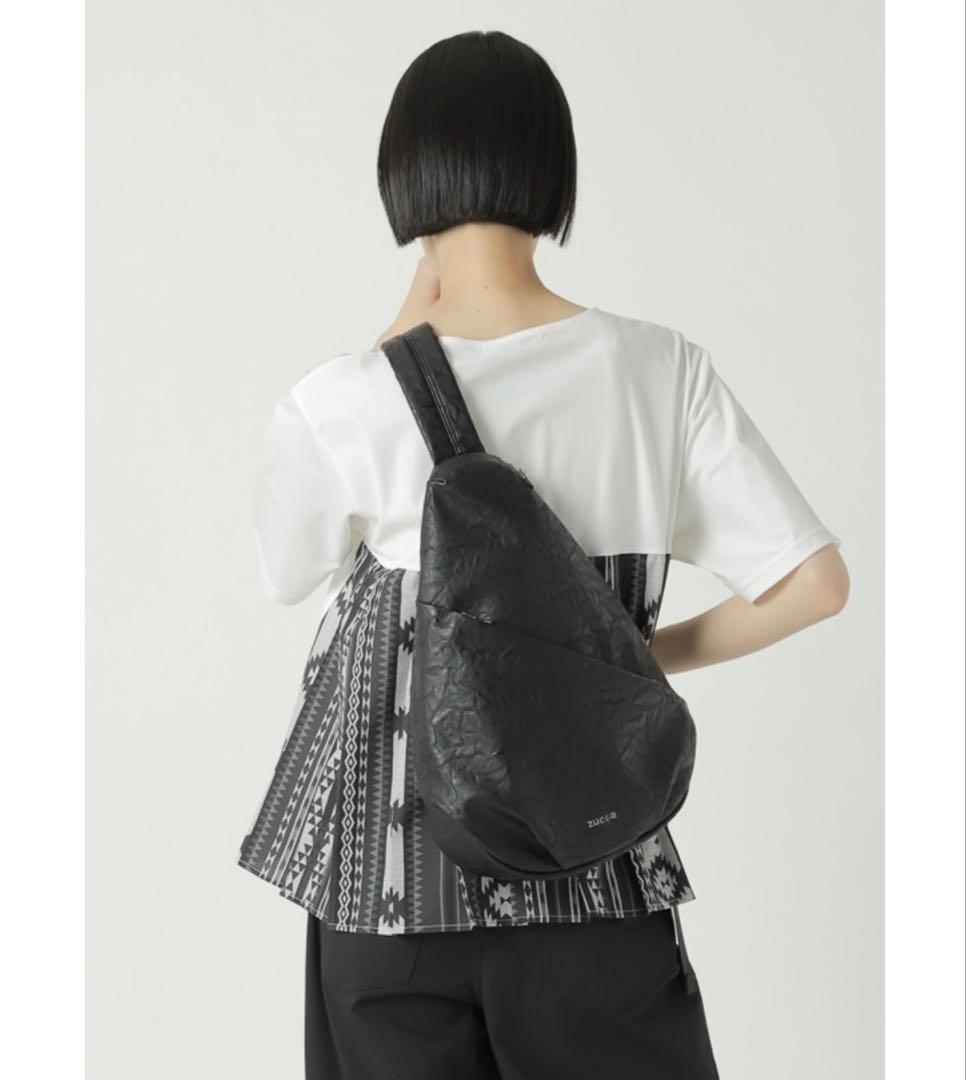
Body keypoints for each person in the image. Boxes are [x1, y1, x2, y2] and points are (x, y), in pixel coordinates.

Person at [237, 29, 849, 1080]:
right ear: (551, 172)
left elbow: (284, 573)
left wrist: (390, 346)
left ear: (405, 174)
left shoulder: (342, 398)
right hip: (591, 872)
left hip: (391, 887)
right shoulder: (659, 370)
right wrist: (625, 661)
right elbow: (814, 584)